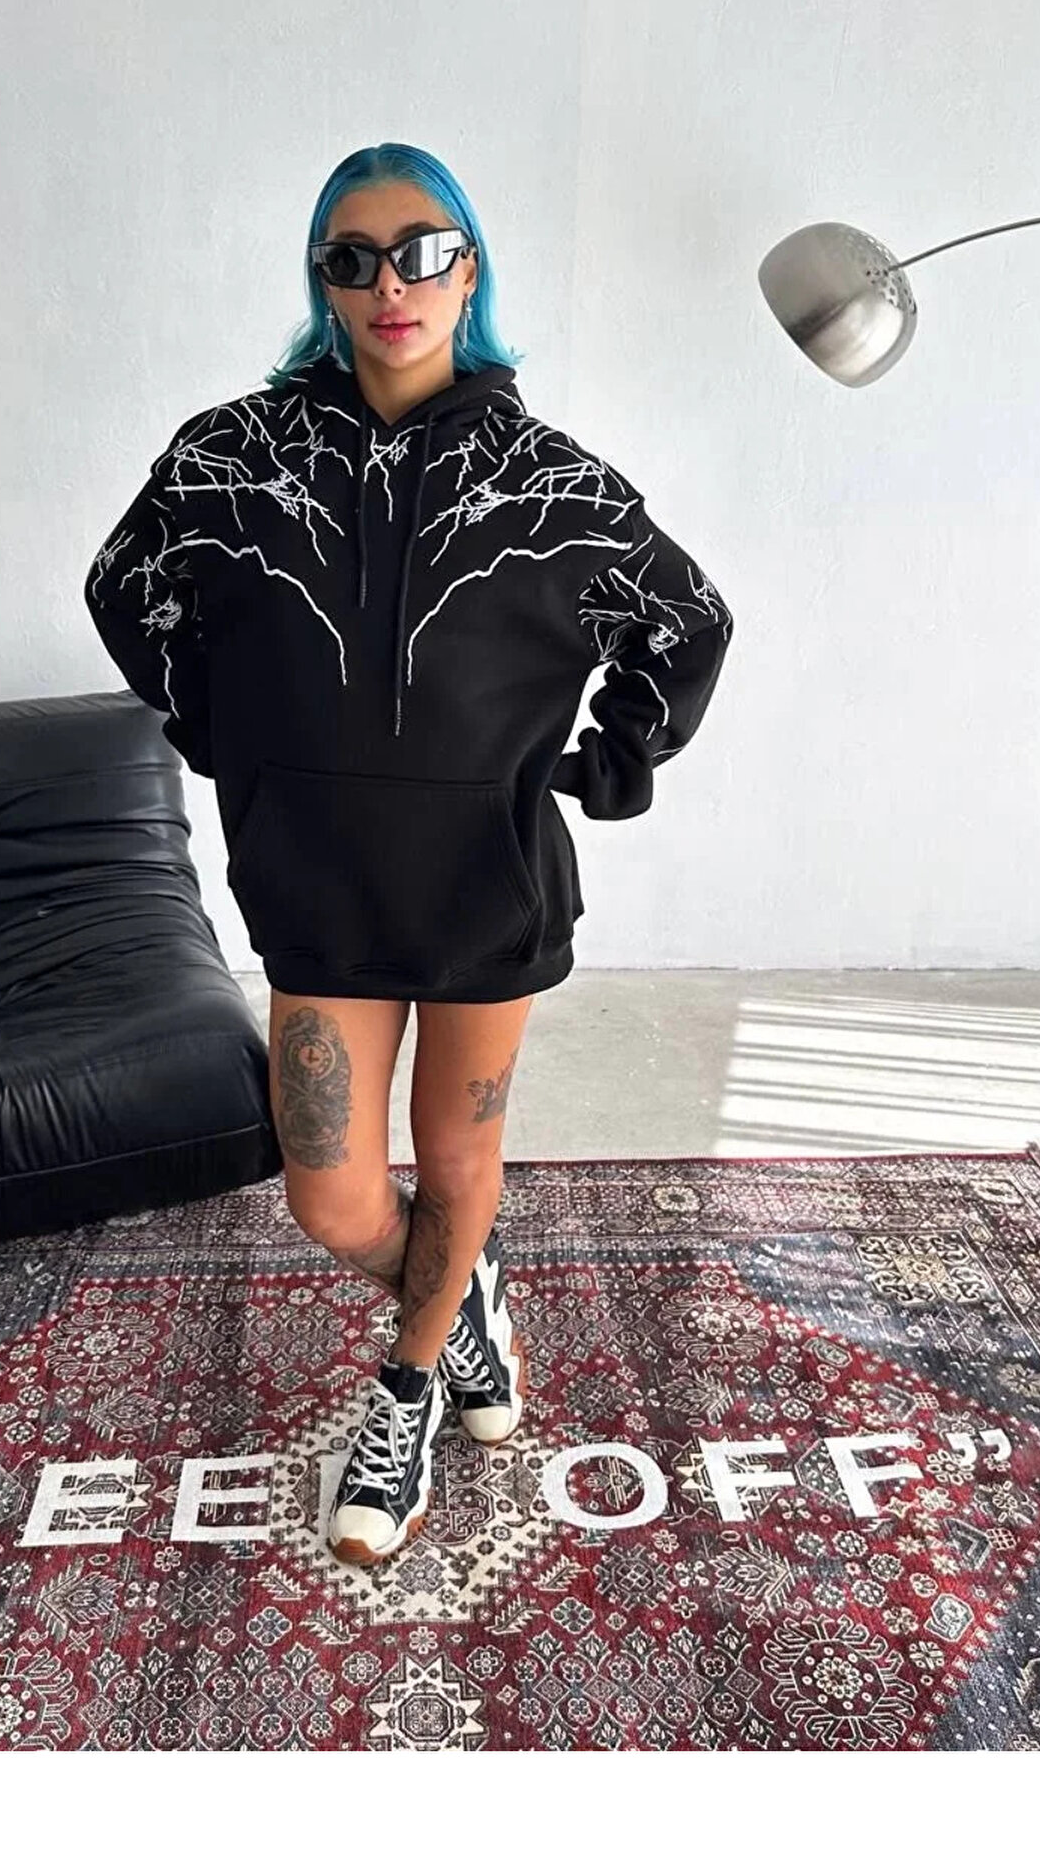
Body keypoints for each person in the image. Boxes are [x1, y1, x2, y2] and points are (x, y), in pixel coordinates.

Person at [84, 141, 735, 1566]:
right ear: (322, 281)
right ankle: (463, 1305)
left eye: (425, 251)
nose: (394, 283)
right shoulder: (230, 459)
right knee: (330, 1195)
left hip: (485, 889)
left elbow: (687, 620)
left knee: (455, 1157)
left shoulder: (549, 482)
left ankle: (408, 1387)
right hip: (315, 883)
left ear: (470, 269)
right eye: (355, 257)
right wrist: (224, 735)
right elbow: (124, 587)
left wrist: (610, 763)